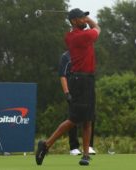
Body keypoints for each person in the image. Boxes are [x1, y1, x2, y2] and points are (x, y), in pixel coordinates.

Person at [35, 8, 100, 166]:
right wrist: (89, 20)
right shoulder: (78, 36)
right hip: (79, 80)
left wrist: (83, 18)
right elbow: (98, 28)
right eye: (81, 18)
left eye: (85, 18)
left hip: (88, 79)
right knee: (74, 119)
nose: (85, 20)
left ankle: (85, 155)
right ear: (74, 21)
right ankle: (46, 144)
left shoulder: (78, 34)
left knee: (88, 118)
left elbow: (93, 27)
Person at [58, 51, 96, 156]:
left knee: (90, 116)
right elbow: (62, 76)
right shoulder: (66, 56)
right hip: (73, 88)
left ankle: (88, 147)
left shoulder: (86, 54)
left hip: (86, 87)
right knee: (73, 117)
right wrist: (66, 92)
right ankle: (74, 147)